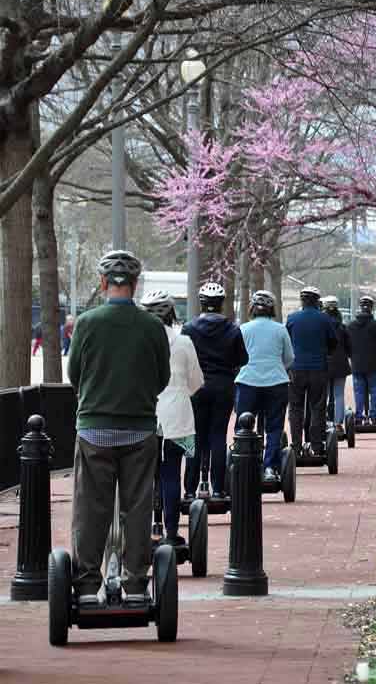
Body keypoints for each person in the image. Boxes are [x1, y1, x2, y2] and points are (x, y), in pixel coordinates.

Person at [67, 250, 171, 606]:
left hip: (95, 428)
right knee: (138, 507)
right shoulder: (153, 326)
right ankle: (137, 584)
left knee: (89, 507)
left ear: (102, 284)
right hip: (139, 431)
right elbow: (162, 378)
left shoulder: (86, 323)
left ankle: (85, 585)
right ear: (135, 284)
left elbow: (74, 376)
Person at [139, 290, 204, 546]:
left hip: (144, 415)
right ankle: (170, 532)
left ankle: (142, 531)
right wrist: (179, 392)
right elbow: (196, 381)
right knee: (171, 475)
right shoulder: (184, 342)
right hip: (178, 416)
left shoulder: (137, 342)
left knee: (140, 478)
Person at [182, 281, 248, 500]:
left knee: (196, 437)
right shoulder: (232, 329)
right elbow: (242, 359)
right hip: (223, 387)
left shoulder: (189, 329)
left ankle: (190, 490)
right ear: (221, 304)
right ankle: (218, 488)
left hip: (196, 388)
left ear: (202, 303)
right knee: (218, 436)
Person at [235, 290, 294, 482]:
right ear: (272, 309)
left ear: (252, 308)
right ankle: (270, 467)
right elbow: (289, 358)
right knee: (274, 427)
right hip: (276, 383)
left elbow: (236, 357)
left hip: (248, 383)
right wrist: (276, 368)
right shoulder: (280, 329)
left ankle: (242, 462)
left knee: (243, 426)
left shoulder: (243, 329)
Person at [286, 286, 337, 456]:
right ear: (317, 301)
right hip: (318, 369)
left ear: (302, 300)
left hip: (296, 368)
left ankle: (296, 445)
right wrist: (326, 352)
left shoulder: (292, 318)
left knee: (295, 407)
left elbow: (286, 342)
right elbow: (333, 342)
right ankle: (316, 445)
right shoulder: (324, 319)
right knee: (317, 407)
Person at [347, 295, 376, 424]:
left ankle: (359, 417)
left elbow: (346, 344)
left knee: (359, 391)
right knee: (375, 390)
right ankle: (374, 418)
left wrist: (352, 355)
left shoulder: (351, 326)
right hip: (373, 363)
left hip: (357, 364)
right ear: (371, 308)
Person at [321, 296, 352, 436]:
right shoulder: (342, 327)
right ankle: (338, 424)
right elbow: (349, 348)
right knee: (339, 394)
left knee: (323, 395)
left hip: (324, 365)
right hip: (340, 365)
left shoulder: (321, 326)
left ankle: (323, 422)